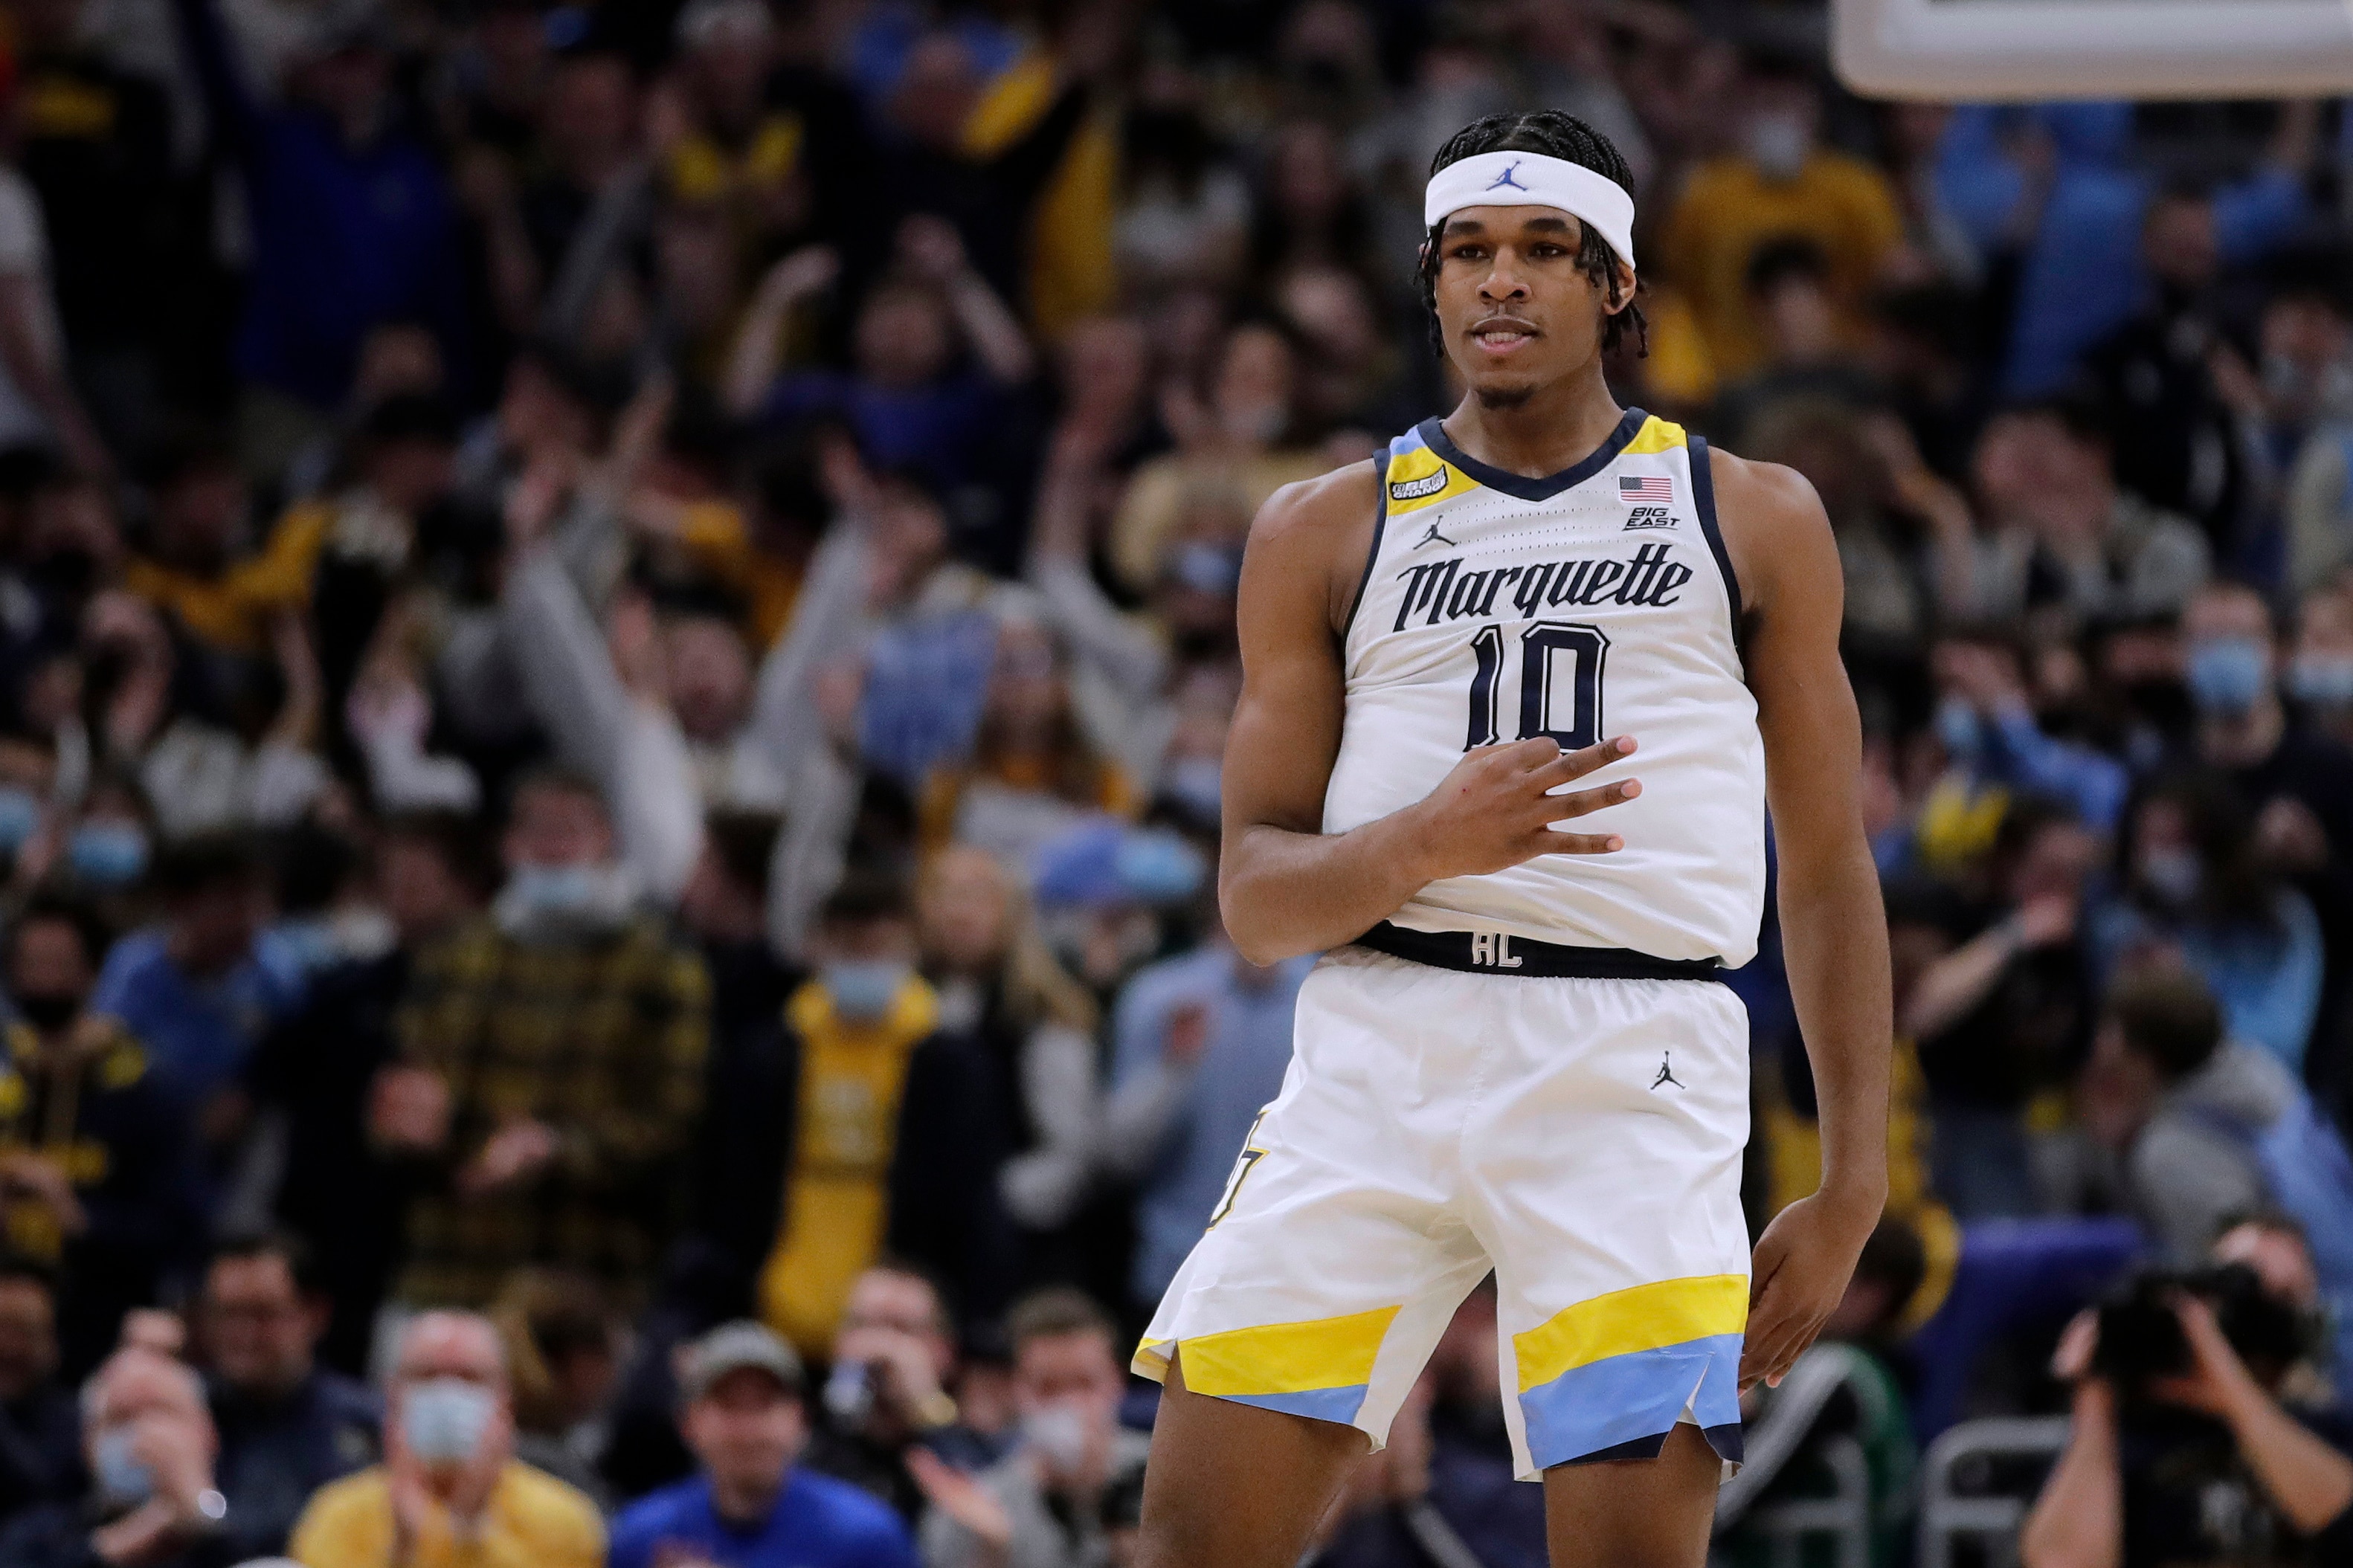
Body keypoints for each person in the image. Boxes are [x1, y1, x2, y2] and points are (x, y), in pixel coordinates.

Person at [1131, 109, 1891, 1568]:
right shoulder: (1321, 526)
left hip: (1634, 1054)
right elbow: (1254, 900)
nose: (1502, 281)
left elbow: (1831, 865)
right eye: (1470, 251)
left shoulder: (1753, 513)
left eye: (1544, 250)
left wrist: (1850, 1181)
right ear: (1430, 282)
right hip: (1377, 1041)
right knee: (1189, 1548)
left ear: (1612, 282)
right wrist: (1418, 840)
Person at [378, 770, 710, 1311]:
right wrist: (406, 1123)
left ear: (608, 841)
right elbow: (409, 1097)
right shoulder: (454, 956)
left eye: (570, 828)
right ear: (508, 844)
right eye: (537, 829)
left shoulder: (662, 967)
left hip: (592, 1275)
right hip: (454, 1267)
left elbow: (676, 1123)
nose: (553, 846)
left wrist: (559, 1150)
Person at [2020, 1239, 2353, 1568]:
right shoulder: (2112, 1450)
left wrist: (2232, 1392)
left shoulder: (2315, 1428)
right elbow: (2063, 1562)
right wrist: (2094, 1398)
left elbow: (2343, 1525)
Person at [0, 894, 200, 1375]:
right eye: (31, 963)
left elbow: (181, 1229)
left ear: (91, 972)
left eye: (58, 963)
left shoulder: (142, 1091)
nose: (42, 979)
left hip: (99, 1332)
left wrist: (78, 1216)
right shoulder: (9, 1075)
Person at [286, 1310, 602, 1568]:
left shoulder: (564, 1520)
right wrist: (402, 1550)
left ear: (504, 1401)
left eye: (469, 1378)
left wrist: (470, 1534)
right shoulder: (336, 1516)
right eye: (426, 1376)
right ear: (394, 1395)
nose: (447, 1394)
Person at [608, 1320, 918, 1568]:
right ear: (688, 1423)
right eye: (729, 1404)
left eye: (765, 1404)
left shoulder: (867, 1537)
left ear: (801, 1420)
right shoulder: (642, 1534)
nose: (749, 1429)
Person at [917, 1289, 1148, 1568]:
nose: (1069, 1403)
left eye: (1085, 1384)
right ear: (1017, 1391)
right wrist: (991, 1553)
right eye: (1047, 1388)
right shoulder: (973, 1508)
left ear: (1117, 1382)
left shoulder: (1165, 1478)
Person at [194, 1233, 380, 1561]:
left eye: (262, 1314)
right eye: (228, 1313)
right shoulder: (185, 1413)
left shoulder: (367, 1426)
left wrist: (201, 1509)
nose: (244, 1334)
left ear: (315, 1315)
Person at [0, 1346, 235, 1568]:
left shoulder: (257, 1512)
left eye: (161, 1413)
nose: (142, 1435)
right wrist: (107, 1551)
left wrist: (202, 1513)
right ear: (87, 1445)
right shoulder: (35, 1537)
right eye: (120, 1419)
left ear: (209, 1434)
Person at [0, 1256, 80, 1525]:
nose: (8, 1346)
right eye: (0, 1327)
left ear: (53, 1344)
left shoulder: (76, 1422)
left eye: (24, 1331)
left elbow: (44, 1489)